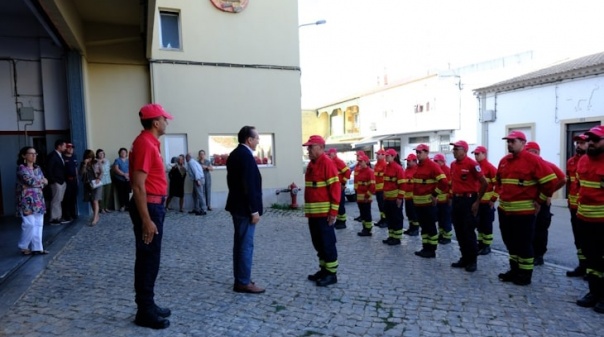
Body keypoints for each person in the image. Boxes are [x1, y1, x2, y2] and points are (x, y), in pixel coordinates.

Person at [128, 103, 173, 329]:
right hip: (149, 207)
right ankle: (144, 310)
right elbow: (137, 186)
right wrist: (147, 220)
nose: (167, 122)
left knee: (150, 258)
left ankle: (148, 304)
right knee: (148, 258)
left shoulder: (149, 143)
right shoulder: (145, 143)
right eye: (165, 119)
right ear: (156, 122)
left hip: (154, 205)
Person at [496, 131, 558, 286]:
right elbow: (499, 181)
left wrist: (540, 200)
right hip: (505, 211)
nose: (509, 144)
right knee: (510, 242)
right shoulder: (504, 161)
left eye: (513, 141)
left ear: (523, 143)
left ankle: (525, 274)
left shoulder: (533, 160)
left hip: (523, 212)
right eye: (508, 141)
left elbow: (550, 182)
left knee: (523, 244)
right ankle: (514, 269)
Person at [225, 126, 265, 294]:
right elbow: (248, 186)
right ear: (249, 139)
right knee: (245, 245)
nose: (258, 141)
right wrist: (254, 210)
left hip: (237, 206)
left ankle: (242, 277)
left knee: (240, 244)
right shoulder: (245, 156)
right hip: (245, 209)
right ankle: (243, 281)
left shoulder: (234, 154)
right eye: (256, 138)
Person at [303, 135, 341, 287]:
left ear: (320, 147)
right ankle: (324, 270)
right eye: (308, 147)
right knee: (318, 244)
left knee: (327, 243)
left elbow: (335, 188)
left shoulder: (327, 163)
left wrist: (333, 212)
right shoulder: (312, 164)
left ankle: (332, 274)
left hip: (324, 215)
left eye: (311, 147)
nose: (308, 150)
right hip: (313, 214)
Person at [575, 125, 604, 313]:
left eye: (596, 140)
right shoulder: (583, 161)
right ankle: (594, 292)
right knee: (592, 261)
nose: (591, 143)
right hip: (584, 219)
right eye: (589, 139)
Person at [524, 141, 566, 266]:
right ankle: (528, 254)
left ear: (536, 152)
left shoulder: (547, 165)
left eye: (528, 151)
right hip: (527, 203)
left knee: (540, 230)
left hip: (541, 203)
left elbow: (563, 179)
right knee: (527, 229)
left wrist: (549, 193)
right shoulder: (526, 166)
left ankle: (539, 255)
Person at [448, 140, 487, 272]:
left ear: (464, 150)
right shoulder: (453, 165)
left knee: (468, 231)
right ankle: (464, 257)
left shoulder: (472, 164)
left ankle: (472, 260)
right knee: (459, 231)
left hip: (469, 200)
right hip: (457, 200)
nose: (454, 151)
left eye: (456, 149)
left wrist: (477, 201)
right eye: (453, 149)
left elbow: (484, 182)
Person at [411, 144, 449, 258]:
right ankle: (425, 247)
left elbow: (444, 182)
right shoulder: (418, 166)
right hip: (418, 204)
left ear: (426, 153)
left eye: (420, 152)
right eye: (416, 152)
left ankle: (431, 250)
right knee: (424, 227)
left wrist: (434, 194)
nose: (417, 154)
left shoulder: (432, 166)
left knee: (430, 227)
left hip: (427, 204)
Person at [16, 146, 49, 255]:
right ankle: (23, 246)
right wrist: (41, 181)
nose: (34, 156)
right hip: (26, 201)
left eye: (35, 154)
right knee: (29, 223)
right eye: (31, 153)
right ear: (24, 155)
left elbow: (45, 182)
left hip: (38, 199)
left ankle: (37, 247)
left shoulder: (38, 168)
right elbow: (30, 180)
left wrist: (39, 182)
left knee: (39, 224)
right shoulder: (21, 168)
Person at [566, 134, 588, 277]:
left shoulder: (592, 161)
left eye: (582, 143)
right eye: (577, 143)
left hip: (589, 209)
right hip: (574, 208)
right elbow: (569, 183)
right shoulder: (571, 162)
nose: (578, 145)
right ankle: (583, 265)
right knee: (578, 239)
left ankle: (592, 269)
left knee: (590, 241)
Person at [471, 146, 498, 256]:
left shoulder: (490, 168)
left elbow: (499, 184)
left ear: (484, 154)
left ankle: (487, 246)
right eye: (475, 154)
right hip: (478, 202)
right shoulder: (475, 167)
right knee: (479, 224)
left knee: (486, 225)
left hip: (487, 203)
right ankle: (481, 244)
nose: (476, 156)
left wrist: (493, 199)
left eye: (478, 154)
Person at [381, 149, 406, 245]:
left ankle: (397, 238)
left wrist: (400, 198)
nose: (386, 157)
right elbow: (386, 183)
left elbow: (403, 185)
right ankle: (391, 236)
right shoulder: (387, 167)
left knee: (396, 218)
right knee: (389, 218)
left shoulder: (398, 168)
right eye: (385, 156)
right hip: (387, 198)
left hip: (395, 199)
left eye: (387, 156)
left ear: (393, 156)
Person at [46, 139, 70, 224]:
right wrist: (54, 181)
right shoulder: (52, 156)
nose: (65, 148)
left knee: (59, 200)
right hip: (57, 182)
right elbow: (49, 169)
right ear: (59, 146)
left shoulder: (60, 155)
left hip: (61, 181)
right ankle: (54, 218)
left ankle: (58, 217)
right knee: (56, 200)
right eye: (64, 146)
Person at [327, 148, 350, 229]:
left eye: (330, 154)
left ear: (334, 153)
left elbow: (347, 172)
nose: (329, 155)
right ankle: (339, 221)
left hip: (339, 186)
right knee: (337, 204)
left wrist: (343, 183)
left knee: (340, 204)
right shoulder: (332, 162)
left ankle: (342, 222)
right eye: (328, 154)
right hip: (335, 187)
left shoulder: (338, 161)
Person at [432, 153, 453, 244]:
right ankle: (441, 234)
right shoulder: (436, 170)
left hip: (445, 199)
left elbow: (452, 185)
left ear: (442, 161)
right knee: (440, 218)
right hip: (437, 199)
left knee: (446, 218)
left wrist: (450, 197)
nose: (434, 162)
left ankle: (447, 237)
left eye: (436, 161)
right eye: (434, 161)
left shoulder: (447, 170)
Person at [355, 154, 376, 236]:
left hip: (366, 198)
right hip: (360, 198)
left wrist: (367, 196)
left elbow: (372, 186)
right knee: (363, 214)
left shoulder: (370, 172)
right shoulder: (360, 171)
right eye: (359, 161)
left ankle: (368, 229)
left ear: (366, 162)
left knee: (367, 214)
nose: (359, 163)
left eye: (361, 161)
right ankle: (364, 228)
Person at [80, 149, 102, 226]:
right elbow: (81, 173)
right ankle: (96, 216)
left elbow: (101, 172)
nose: (89, 158)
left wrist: (99, 178)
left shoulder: (96, 162)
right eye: (88, 157)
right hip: (88, 184)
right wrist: (85, 165)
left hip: (96, 183)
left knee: (95, 200)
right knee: (91, 200)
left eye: (90, 157)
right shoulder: (83, 164)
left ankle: (95, 218)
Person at [403, 153, 420, 236]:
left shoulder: (417, 170)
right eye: (407, 161)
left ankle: (415, 229)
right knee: (409, 213)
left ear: (414, 161)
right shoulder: (407, 169)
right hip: (407, 196)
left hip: (414, 197)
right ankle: (411, 228)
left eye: (409, 161)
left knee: (414, 214)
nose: (407, 162)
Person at [61, 143, 79, 221]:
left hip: (74, 180)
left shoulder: (74, 157)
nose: (71, 149)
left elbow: (76, 168)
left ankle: (73, 213)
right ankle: (66, 215)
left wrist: (77, 179)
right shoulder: (63, 157)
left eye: (72, 148)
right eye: (69, 148)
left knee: (73, 197)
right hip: (67, 180)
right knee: (66, 198)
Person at [373, 149, 388, 228]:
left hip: (382, 188)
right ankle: (382, 218)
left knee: (383, 205)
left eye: (379, 154)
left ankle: (385, 220)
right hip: (377, 188)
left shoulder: (384, 165)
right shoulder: (376, 164)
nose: (377, 155)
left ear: (383, 155)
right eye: (377, 154)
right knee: (380, 205)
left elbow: (384, 176)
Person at [96, 149, 113, 213]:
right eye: (100, 153)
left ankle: (106, 207)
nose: (101, 155)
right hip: (101, 180)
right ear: (97, 154)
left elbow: (109, 169)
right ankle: (102, 208)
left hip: (108, 179)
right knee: (101, 195)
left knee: (107, 194)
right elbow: (96, 170)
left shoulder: (107, 160)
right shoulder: (96, 161)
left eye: (102, 153)